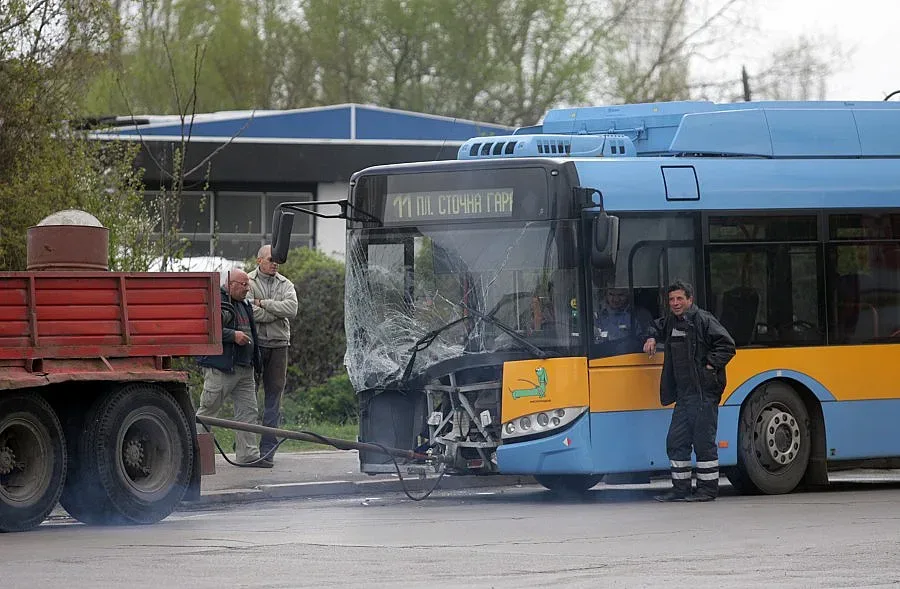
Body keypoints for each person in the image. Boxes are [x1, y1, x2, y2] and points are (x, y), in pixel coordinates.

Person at [643, 280, 735, 502]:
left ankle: (707, 490)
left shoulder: (703, 320)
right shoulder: (671, 322)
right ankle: (680, 489)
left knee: (704, 443)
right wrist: (651, 337)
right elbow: (654, 325)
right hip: (684, 396)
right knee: (676, 442)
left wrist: (710, 366)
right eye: (672, 299)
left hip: (703, 394)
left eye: (679, 299)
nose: (675, 303)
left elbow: (727, 345)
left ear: (689, 299)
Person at [196, 269, 270, 467]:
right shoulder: (216, 300)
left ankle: (248, 455)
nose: (248, 288)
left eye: (248, 284)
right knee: (208, 411)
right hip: (222, 367)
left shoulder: (244, 304)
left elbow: (252, 333)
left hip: (245, 368)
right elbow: (208, 327)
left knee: (248, 412)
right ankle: (196, 458)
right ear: (230, 285)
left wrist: (256, 362)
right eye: (244, 284)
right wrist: (233, 336)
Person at [249, 245, 298, 463]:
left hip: (279, 346)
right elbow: (249, 311)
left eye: (277, 260)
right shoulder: (247, 281)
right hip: (256, 344)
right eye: (270, 259)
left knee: (273, 400)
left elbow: (291, 309)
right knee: (248, 397)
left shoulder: (286, 283)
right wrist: (274, 313)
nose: (275, 263)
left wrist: (265, 304)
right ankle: (247, 445)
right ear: (259, 260)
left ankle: (268, 449)